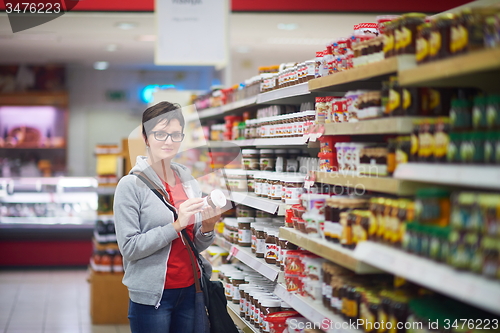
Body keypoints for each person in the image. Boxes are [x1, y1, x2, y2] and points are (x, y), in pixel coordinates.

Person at [114, 101, 220, 333]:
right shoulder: (130, 185)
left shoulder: (187, 179)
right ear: (145, 136)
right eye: (160, 134)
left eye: (175, 135)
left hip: (192, 290)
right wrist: (176, 225)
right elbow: (129, 247)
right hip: (153, 298)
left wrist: (208, 228)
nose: (168, 141)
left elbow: (194, 244)